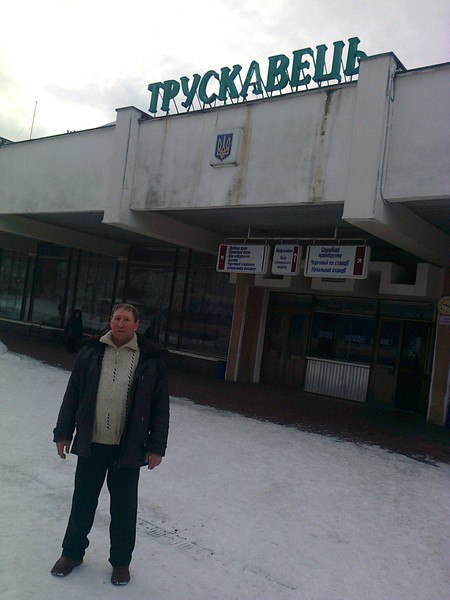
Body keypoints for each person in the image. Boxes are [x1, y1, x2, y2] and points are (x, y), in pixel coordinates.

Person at [51, 303, 170, 586]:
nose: (120, 323)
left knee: (124, 510)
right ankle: (71, 553)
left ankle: (120, 563)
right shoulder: (91, 351)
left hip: (128, 448)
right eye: (117, 318)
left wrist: (157, 447)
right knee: (82, 502)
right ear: (110, 321)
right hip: (92, 443)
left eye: (126, 319)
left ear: (136, 325)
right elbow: (72, 394)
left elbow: (160, 407)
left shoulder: (151, 360)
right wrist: (63, 432)